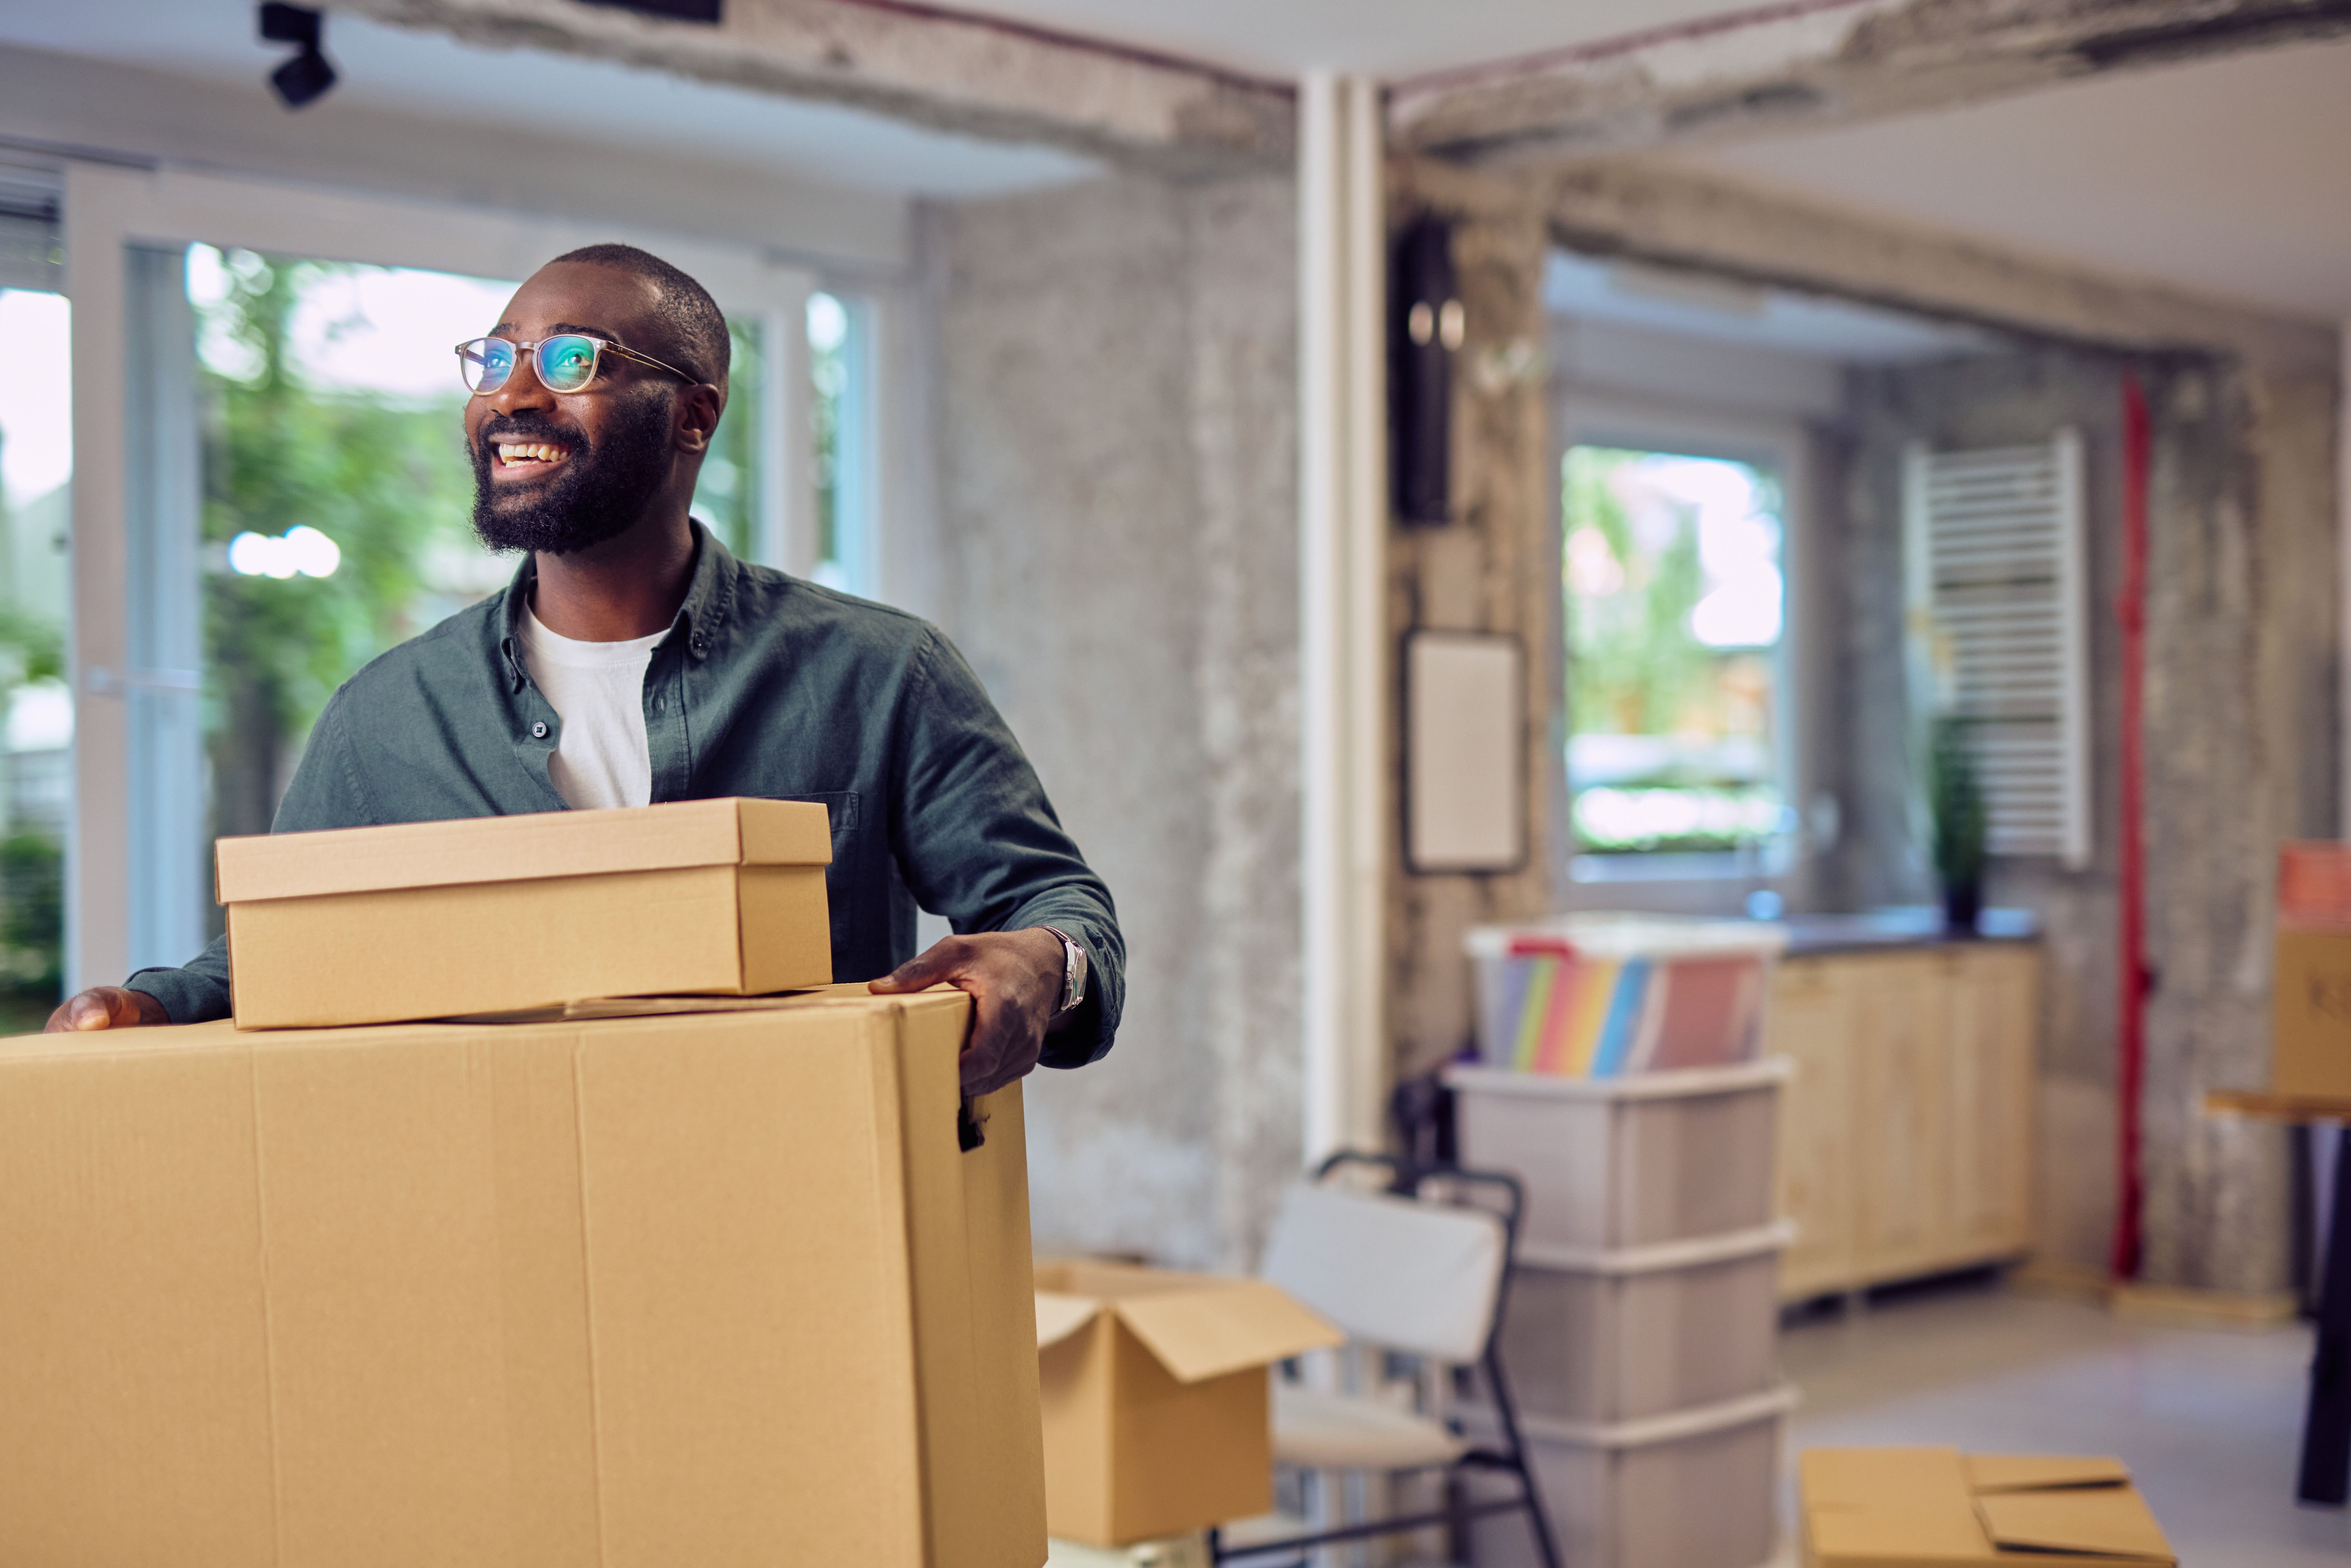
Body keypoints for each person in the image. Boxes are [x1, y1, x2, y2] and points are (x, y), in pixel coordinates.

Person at [46, 244, 1121, 1094]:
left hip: (801, 1223)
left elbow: (1057, 906)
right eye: (496, 357)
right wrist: (150, 1007)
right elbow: (272, 970)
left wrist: (1043, 965)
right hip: (500, 1247)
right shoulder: (388, 718)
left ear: (695, 414)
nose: (513, 395)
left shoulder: (878, 673)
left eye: (572, 362)